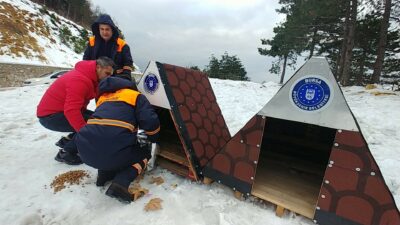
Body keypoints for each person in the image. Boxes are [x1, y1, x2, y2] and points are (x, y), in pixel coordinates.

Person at [75, 76, 160, 203]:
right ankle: (120, 184)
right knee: (144, 154)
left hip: (85, 151)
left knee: (105, 142)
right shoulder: (135, 95)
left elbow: (104, 128)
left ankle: (103, 176)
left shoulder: (103, 98)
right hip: (111, 149)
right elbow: (150, 120)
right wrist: (154, 137)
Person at [36, 57, 115, 165]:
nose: (109, 77)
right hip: (51, 117)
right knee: (95, 126)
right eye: (107, 73)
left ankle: (67, 140)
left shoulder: (91, 77)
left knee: (100, 120)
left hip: (58, 112)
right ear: (98, 67)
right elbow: (71, 111)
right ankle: (66, 152)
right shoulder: (80, 80)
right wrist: (85, 132)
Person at [83, 14, 135, 83]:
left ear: (112, 30)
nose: (104, 32)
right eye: (102, 29)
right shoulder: (92, 42)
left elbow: (128, 66)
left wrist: (120, 79)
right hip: (94, 80)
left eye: (107, 29)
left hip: (116, 80)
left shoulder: (122, 45)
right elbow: (85, 62)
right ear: (98, 29)